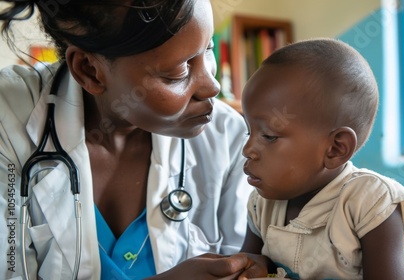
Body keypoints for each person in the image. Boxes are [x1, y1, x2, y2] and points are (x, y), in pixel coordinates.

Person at [0, 0, 269, 279]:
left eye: (208, 49)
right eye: (178, 71)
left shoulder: (227, 135)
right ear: (90, 70)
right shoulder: (8, 118)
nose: (211, 86)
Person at [239, 38, 404, 280]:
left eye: (268, 136)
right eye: (249, 131)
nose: (248, 149)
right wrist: (254, 266)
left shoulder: (369, 201)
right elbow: (252, 264)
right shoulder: (261, 204)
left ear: (335, 148)